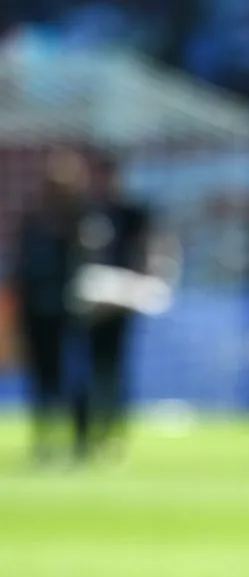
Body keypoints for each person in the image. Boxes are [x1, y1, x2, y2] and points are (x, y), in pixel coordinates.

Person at [69, 152, 156, 459]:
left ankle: (112, 433)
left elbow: (150, 251)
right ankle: (83, 437)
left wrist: (140, 286)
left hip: (121, 302)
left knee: (115, 370)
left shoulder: (133, 213)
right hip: (88, 305)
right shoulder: (84, 213)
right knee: (84, 370)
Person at [12, 148, 89, 463]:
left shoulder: (83, 223)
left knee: (73, 375)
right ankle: (45, 439)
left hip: (70, 312)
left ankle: (80, 441)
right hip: (37, 311)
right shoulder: (35, 221)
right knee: (43, 378)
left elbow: (88, 267)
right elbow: (23, 268)